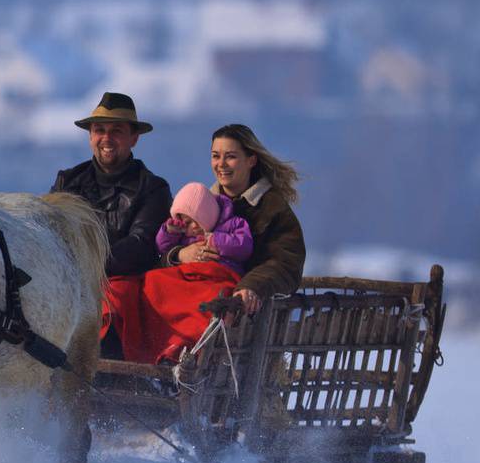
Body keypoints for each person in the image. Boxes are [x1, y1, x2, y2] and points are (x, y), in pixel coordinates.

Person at [106, 181, 253, 363]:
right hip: (186, 276)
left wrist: (216, 240)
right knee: (153, 281)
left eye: (190, 221)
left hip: (217, 274)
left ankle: (187, 346)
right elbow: (163, 246)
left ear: (204, 215)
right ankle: (163, 344)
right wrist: (170, 231)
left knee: (206, 299)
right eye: (184, 222)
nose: (188, 227)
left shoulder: (232, 224)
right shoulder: (187, 235)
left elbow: (243, 246)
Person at [171, 123, 306, 316]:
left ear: (251, 160)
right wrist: (180, 255)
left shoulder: (272, 207)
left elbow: (286, 263)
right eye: (216, 156)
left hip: (245, 314)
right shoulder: (199, 204)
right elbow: (165, 245)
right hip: (192, 296)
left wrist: (251, 287)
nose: (221, 164)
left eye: (231, 157)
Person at [48, 93, 171, 278]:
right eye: (99, 130)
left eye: (117, 131)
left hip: (123, 293)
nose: (106, 138)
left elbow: (140, 245)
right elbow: (47, 231)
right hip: (66, 285)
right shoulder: (67, 182)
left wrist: (84, 267)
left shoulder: (153, 189)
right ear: (90, 136)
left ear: (134, 139)